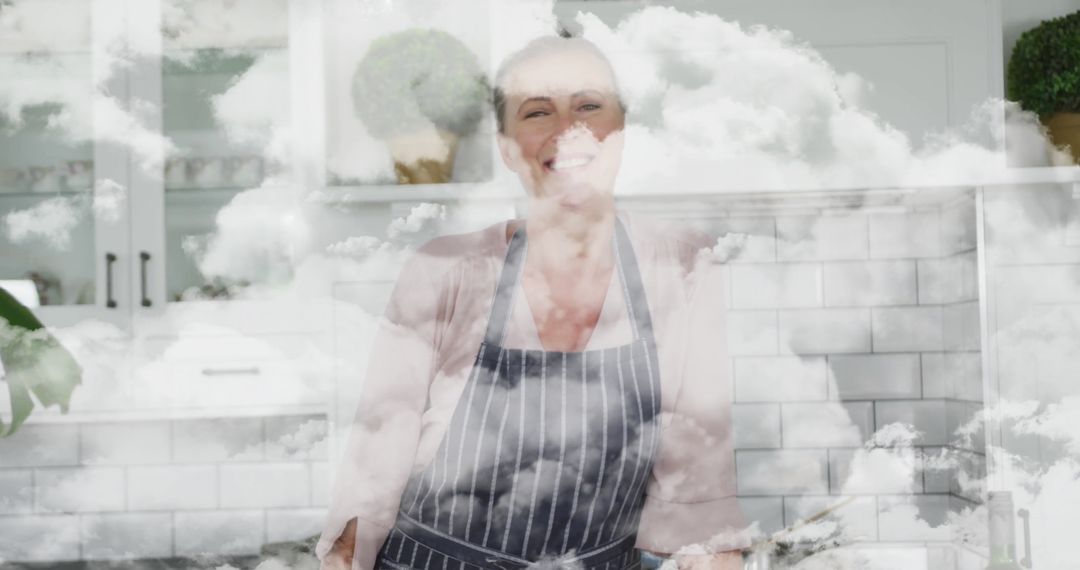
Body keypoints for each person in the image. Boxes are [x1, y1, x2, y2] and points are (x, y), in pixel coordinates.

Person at [318, 36, 747, 570]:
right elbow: (373, 469)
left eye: (589, 105)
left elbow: (699, 492)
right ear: (506, 145)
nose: (568, 129)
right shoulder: (445, 270)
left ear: (621, 127)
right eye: (538, 111)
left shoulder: (681, 267)